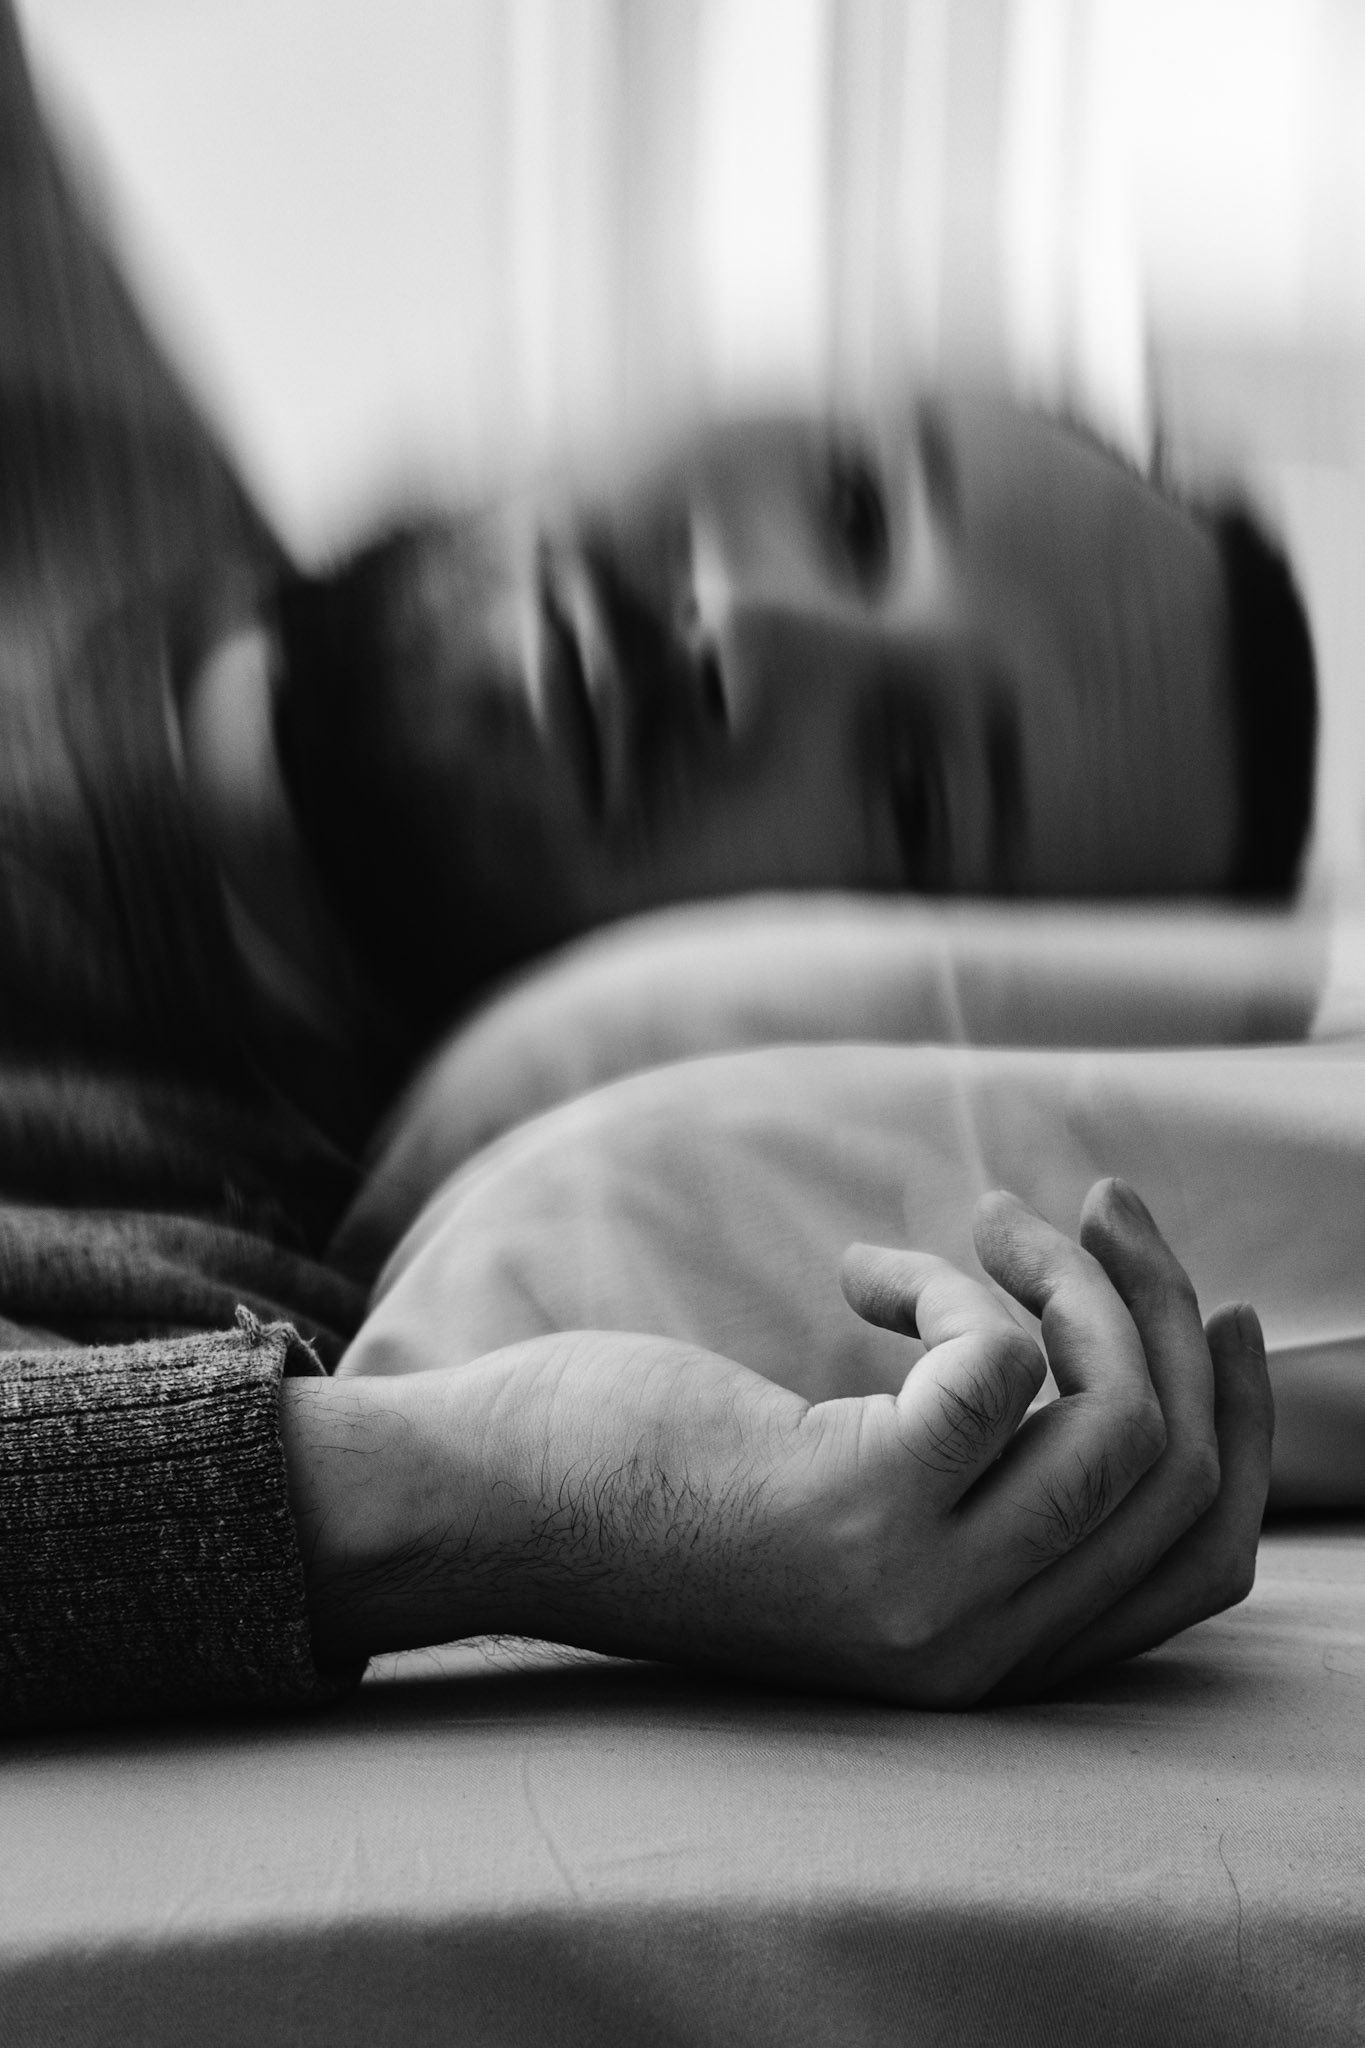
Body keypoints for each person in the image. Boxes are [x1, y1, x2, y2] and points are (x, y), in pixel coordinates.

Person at [0, 2, 1294, 1730]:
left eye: (909, 784)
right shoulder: (59, 384)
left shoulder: (183, 1283)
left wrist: (511, 1495)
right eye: (849, 502)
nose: (749, 626)